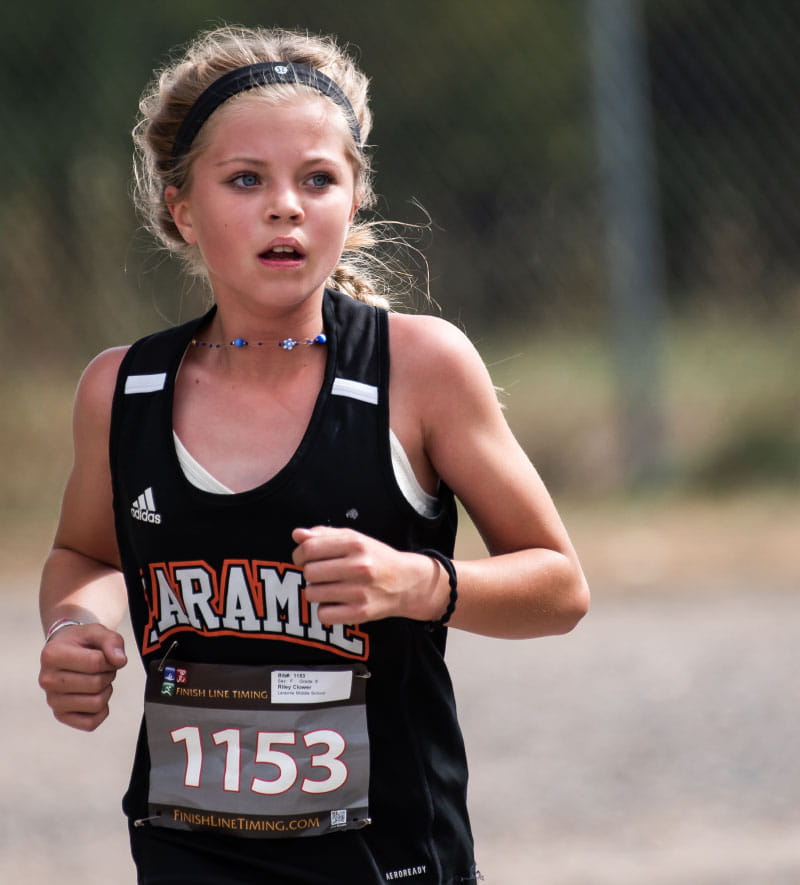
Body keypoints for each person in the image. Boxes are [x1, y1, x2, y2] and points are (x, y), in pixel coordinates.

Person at [38, 25, 589, 885]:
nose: (284, 205)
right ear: (182, 208)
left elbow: (559, 584)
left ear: (356, 197)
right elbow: (87, 555)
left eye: (318, 178)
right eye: (246, 179)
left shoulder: (420, 368)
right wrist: (75, 626)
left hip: (388, 858)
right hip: (188, 853)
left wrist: (422, 583)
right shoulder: (123, 390)